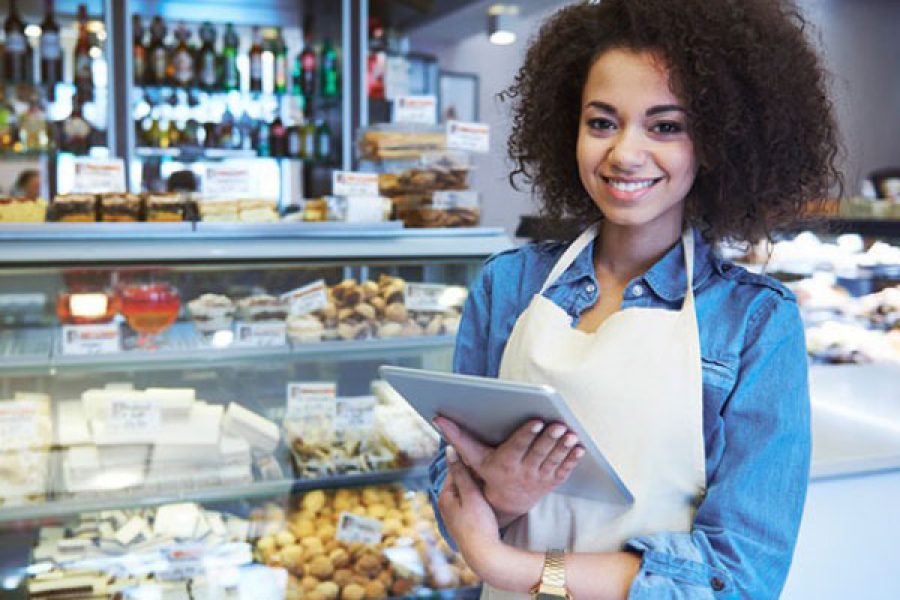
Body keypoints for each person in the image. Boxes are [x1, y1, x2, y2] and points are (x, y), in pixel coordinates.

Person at [428, 0, 842, 598]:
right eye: (602, 122)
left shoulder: (753, 323)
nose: (624, 153)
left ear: (717, 142)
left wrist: (510, 566)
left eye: (665, 126)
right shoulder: (508, 285)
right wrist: (502, 493)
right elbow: (453, 499)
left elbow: (743, 576)